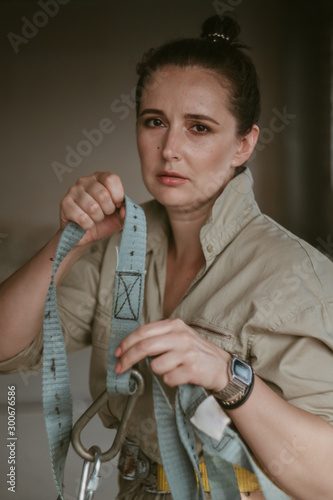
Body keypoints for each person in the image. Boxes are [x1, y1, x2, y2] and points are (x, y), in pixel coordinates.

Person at [1, 14, 333, 500]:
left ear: (244, 144)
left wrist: (227, 374)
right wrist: (68, 241)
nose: (169, 149)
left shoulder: (294, 276)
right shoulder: (116, 246)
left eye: (199, 127)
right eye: (154, 122)